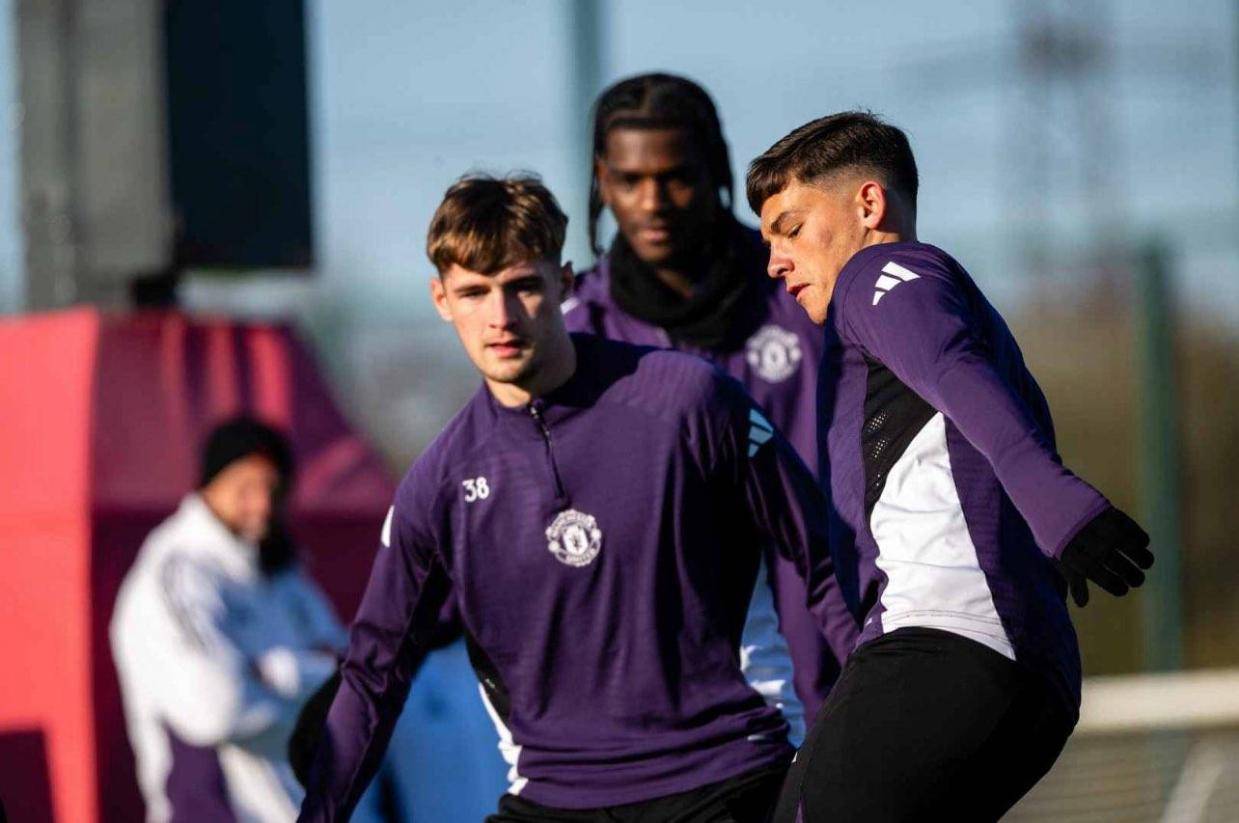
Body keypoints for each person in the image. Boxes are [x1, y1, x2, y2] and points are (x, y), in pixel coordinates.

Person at [297, 174, 857, 822]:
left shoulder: (690, 400)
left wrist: (878, 730)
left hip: (724, 778)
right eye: (474, 292)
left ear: (563, 283)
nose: (501, 317)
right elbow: (374, 673)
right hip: (552, 798)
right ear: (441, 298)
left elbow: (827, 562)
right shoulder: (439, 485)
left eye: (522, 286)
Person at [746, 111, 1155, 822]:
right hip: (998, 657)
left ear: (867, 205)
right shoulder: (877, 321)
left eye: (791, 228)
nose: (774, 261)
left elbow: (954, 371)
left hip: (951, 638)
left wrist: (1060, 507)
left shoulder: (880, 273)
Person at [564, 73, 838, 735]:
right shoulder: (576, 334)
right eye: (630, 180)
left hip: (839, 668)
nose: (652, 202)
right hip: (675, 715)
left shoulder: (805, 295)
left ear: (715, 168)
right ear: (602, 181)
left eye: (676, 177)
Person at [111, 417, 365, 822]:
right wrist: (311, 687)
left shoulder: (284, 575)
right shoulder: (174, 576)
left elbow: (357, 680)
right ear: (209, 485)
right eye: (245, 487)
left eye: (273, 488)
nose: (262, 504)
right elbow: (215, 708)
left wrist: (277, 673)